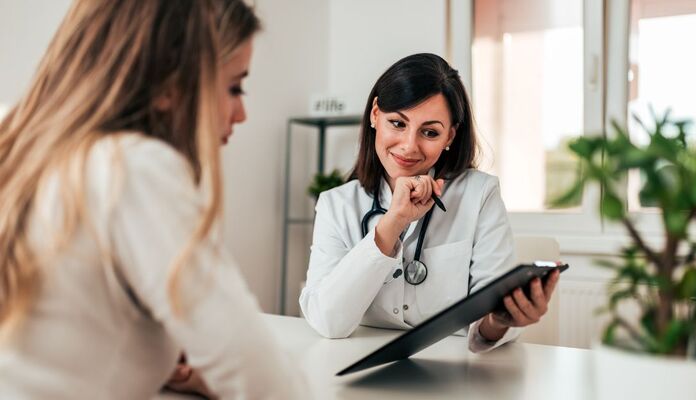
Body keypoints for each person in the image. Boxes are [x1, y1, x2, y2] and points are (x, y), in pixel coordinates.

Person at [0, 1, 305, 398]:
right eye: (234, 87)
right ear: (168, 86)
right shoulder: (132, 168)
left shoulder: (16, 139)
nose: (242, 113)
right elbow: (257, 374)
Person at [299, 53, 560, 352]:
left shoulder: (480, 194)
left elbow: (486, 319)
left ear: (450, 135)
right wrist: (392, 223)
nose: (409, 146)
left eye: (430, 132)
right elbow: (328, 322)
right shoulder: (336, 205)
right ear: (374, 115)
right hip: (356, 362)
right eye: (397, 123)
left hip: (455, 371)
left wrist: (500, 321)